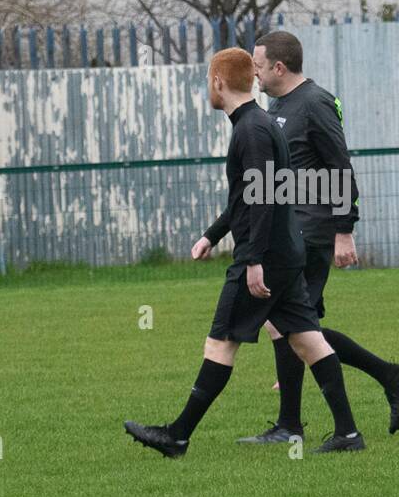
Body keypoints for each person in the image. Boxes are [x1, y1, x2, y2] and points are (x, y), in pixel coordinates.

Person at [124, 47, 365, 457]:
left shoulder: (251, 130)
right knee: (308, 339)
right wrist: (214, 235)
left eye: (207, 80)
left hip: (267, 256)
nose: (208, 87)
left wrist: (252, 261)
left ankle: (177, 436)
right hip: (286, 251)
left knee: (220, 342)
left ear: (218, 81)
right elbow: (254, 194)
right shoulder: (261, 122)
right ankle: (348, 434)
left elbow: (262, 203)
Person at [194, 31, 399, 443]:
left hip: (311, 231)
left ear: (279, 67)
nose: (254, 72)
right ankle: (382, 380)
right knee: (295, 329)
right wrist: (216, 232)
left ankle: (298, 425)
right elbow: (261, 187)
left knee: (297, 331)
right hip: (287, 229)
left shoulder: (315, 103)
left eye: (258, 65)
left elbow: (339, 166)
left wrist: (344, 229)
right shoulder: (277, 107)